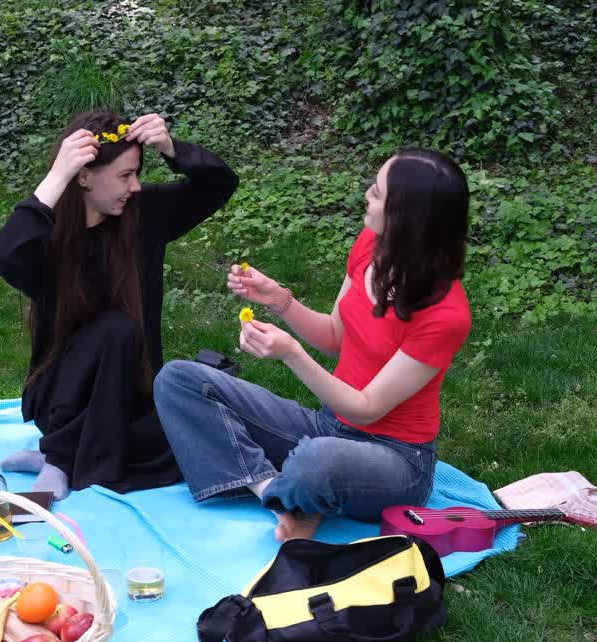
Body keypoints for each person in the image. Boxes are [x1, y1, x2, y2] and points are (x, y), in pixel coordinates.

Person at [154, 149, 471, 541]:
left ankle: (303, 492)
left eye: (376, 193)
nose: (366, 197)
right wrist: (278, 299)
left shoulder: (445, 314)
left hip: (396, 460)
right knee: (179, 380)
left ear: (406, 217)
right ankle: (273, 490)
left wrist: (291, 353)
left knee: (316, 460)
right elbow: (335, 338)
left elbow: (367, 409)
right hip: (329, 426)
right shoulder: (372, 247)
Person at [0, 110, 239, 499]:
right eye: (125, 176)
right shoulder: (48, 237)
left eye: (137, 173)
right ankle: (60, 456)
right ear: (84, 177)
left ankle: (61, 460)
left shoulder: (144, 216)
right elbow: (6, 254)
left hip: (130, 399)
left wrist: (172, 148)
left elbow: (220, 184)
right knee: (115, 329)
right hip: (60, 401)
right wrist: (57, 177)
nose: (135, 186)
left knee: (190, 439)